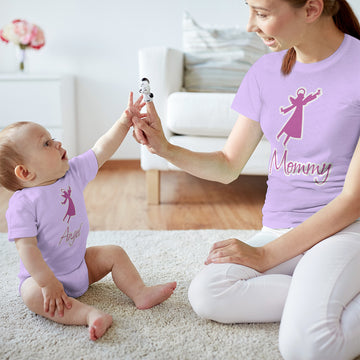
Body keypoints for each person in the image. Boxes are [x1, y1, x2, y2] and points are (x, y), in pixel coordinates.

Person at [133, 1, 360, 359]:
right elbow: (227, 164)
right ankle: (318, 295)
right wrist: (165, 149)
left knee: (308, 346)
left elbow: (353, 201)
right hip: (279, 229)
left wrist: (265, 255)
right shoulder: (266, 71)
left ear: (312, 8)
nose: (249, 25)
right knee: (207, 293)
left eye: (263, 13)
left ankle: (319, 298)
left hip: (344, 231)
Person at [0, 93, 176, 341]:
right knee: (30, 295)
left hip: (80, 266)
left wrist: (125, 122)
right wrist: (47, 281)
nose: (58, 143)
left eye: (53, 138)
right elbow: (26, 248)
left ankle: (140, 292)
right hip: (46, 280)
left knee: (114, 252)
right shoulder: (23, 203)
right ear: (25, 172)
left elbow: (102, 148)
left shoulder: (71, 173)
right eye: (46, 144)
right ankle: (88, 315)